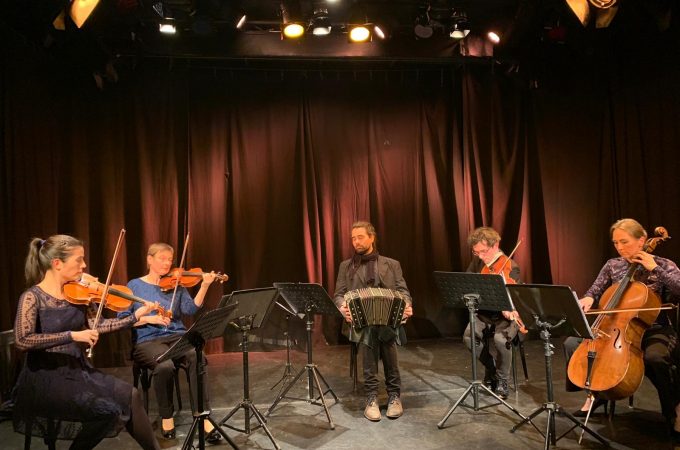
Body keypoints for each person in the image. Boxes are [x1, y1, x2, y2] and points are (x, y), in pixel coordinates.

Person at [13, 235, 160, 450]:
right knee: (106, 411)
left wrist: (135, 317)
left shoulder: (79, 293)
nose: (84, 265)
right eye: (79, 260)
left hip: (77, 370)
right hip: (45, 377)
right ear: (57, 263)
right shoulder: (32, 297)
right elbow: (22, 340)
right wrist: (72, 335)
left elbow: (98, 325)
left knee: (130, 394)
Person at [563, 218, 680, 439]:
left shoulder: (663, 264)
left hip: (654, 328)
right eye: (616, 243)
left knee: (656, 358)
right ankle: (595, 394)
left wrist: (655, 268)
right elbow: (595, 289)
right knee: (572, 343)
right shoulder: (613, 264)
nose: (619, 247)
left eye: (624, 241)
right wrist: (588, 298)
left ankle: (674, 407)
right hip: (615, 328)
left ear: (642, 240)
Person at [119, 242, 220, 442]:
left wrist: (205, 285)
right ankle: (166, 416)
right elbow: (123, 319)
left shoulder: (176, 284)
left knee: (197, 357)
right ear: (149, 259)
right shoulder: (134, 286)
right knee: (164, 366)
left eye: (170, 260)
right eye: (162, 259)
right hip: (147, 340)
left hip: (176, 336)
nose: (167, 264)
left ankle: (203, 416)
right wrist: (149, 319)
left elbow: (190, 309)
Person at [333, 221, 413, 421]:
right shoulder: (346, 266)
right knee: (369, 332)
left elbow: (403, 291)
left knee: (386, 332)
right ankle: (372, 397)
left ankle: (394, 396)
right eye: (353, 238)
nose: (356, 242)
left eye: (360, 237)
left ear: (371, 238)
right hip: (359, 322)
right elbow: (339, 295)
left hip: (387, 320)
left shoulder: (391, 264)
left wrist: (407, 305)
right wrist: (343, 308)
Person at [463, 227, 521, 399]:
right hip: (484, 312)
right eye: (476, 252)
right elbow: (467, 283)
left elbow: (516, 296)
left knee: (500, 340)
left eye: (484, 251)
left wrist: (508, 306)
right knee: (469, 337)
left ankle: (503, 380)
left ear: (495, 245)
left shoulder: (511, 266)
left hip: (506, 315)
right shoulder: (477, 263)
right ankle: (492, 368)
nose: (480, 256)